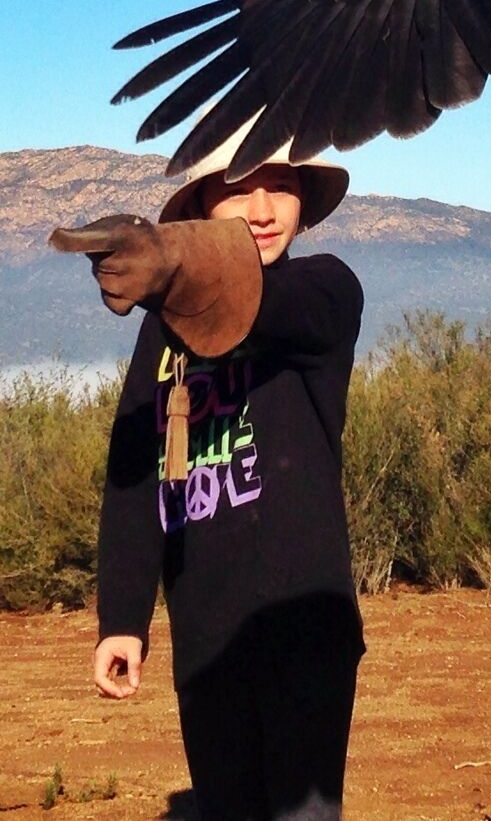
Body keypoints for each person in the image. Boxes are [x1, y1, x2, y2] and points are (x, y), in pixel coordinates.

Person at [52, 126, 365, 820]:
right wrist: (123, 617)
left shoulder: (325, 289)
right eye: (236, 189)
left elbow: (259, 305)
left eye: (279, 186)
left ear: (304, 204)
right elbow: (134, 474)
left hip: (306, 628)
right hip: (205, 634)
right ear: (202, 206)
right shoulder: (163, 332)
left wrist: (173, 259)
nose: (260, 208)